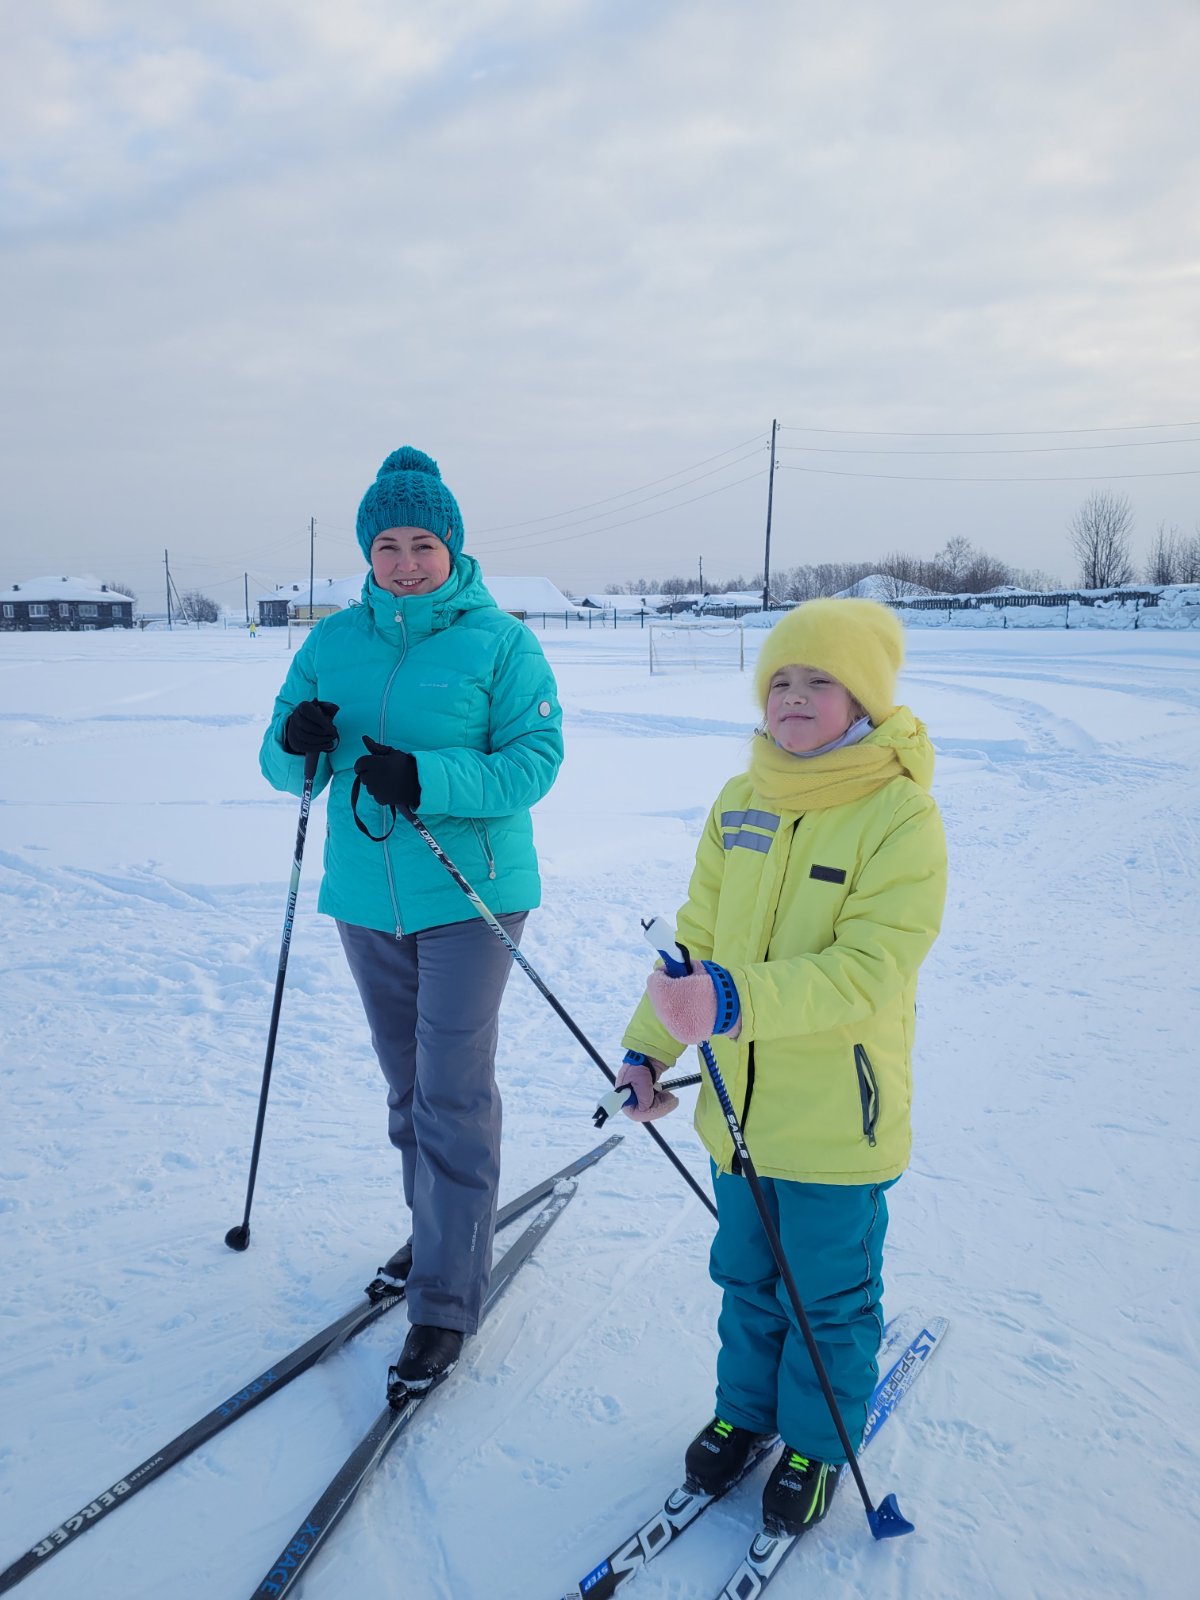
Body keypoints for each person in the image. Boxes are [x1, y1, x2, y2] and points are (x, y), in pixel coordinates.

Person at [616, 598, 946, 1538]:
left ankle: (814, 1440)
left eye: (819, 681)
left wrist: (730, 1000)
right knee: (748, 1280)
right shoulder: (741, 800)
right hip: (737, 1113)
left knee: (827, 1298)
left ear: (864, 699)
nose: (794, 698)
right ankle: (747, 1412)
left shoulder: (899, 816)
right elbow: (697, 947)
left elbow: (868, 970)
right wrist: (650, 1047)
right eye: (779, 682)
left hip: (839, 1122)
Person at [259, 446, 563, 1390]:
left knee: (452, 1092)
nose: (402, 561)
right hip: (365, 896)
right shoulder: (331, 642)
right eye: (386, 543)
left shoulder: (499, 642)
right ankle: (436, 1235)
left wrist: (427, 778)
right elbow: (281, 766)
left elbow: (535, 762)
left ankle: (444, 1298)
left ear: (451, 547)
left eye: (420, 543)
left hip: (471, 893)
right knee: (407, 1091)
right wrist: (295, 742)